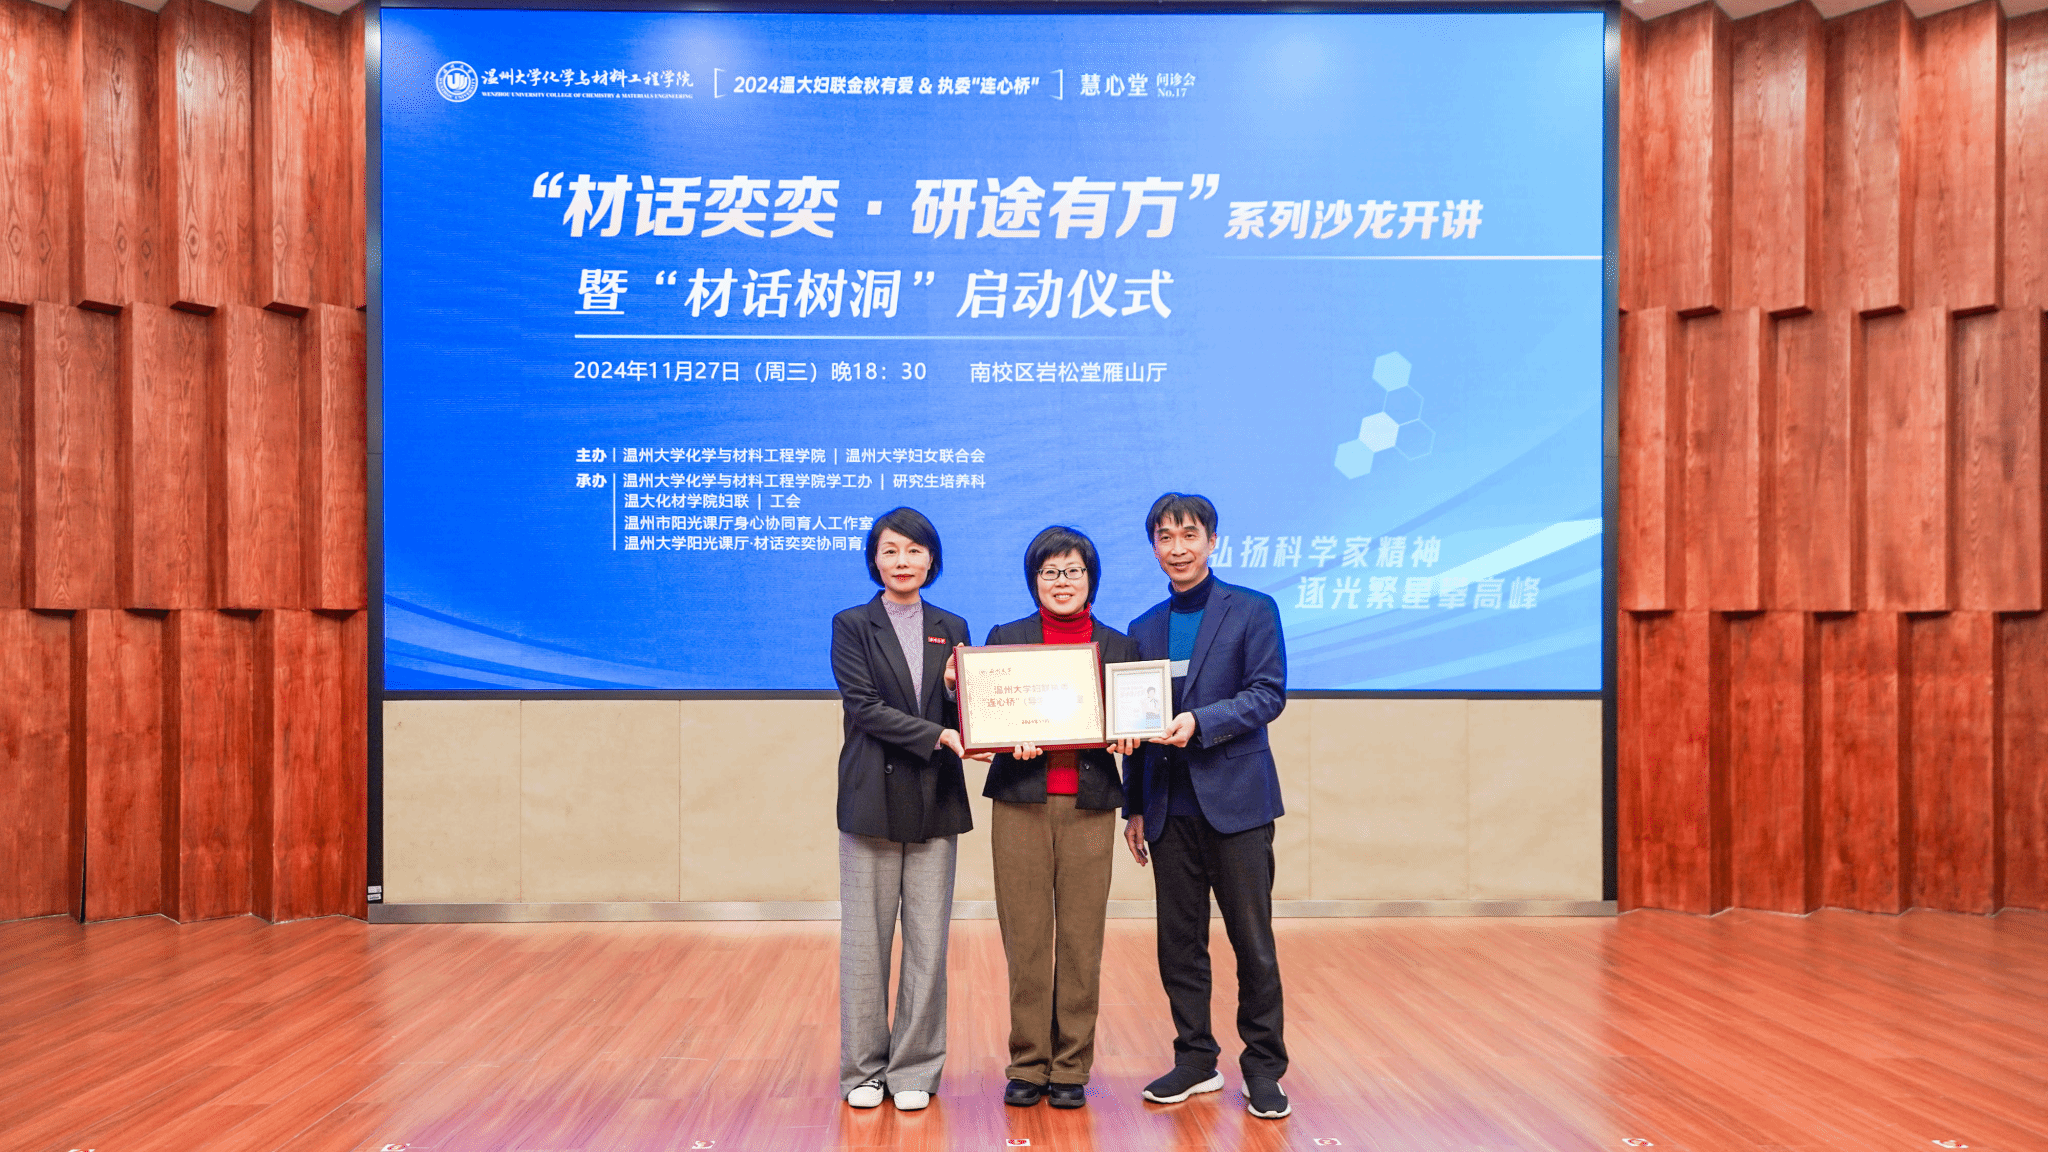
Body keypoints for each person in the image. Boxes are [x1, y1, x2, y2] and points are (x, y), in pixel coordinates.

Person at [1120, 492, 1292, 1120]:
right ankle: (1195, 1060)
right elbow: (1133, 726)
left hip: (1238, 804)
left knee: (1253, 942)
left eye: (1189, 535)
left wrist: (1202, 721)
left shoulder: (1252, 609)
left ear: (1212, 541)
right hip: (1169, 810)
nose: (1178, 548)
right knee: (1179, 944)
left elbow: (1268, 693)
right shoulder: (1143, 627)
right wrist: (1134, 807)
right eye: (1165, 537)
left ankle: (1264, 1068)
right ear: (1154, 548)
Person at [975, 527, 1141, 1110]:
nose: (1062, 581)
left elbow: (1137, 726)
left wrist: (1131, 737)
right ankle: (1028, 1063)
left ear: (1091, 578)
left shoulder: (1120, 646)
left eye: (1073, 570)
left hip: (1090, 808)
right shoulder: (1006, 639)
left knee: (1080, 939)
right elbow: (985, 714)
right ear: (1034, 581)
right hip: (1020, 803)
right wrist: (1005, 738)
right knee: (1025, 937)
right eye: (1049, 572)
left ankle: (1071, 1065)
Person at [830, 507, 973, 1113]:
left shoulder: (952, 625)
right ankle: (863, 1070)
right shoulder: (852, 624)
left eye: (914, 550)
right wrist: (937, 734)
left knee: (927, 940)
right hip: (873, 796)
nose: (902, 561)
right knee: (866, 941)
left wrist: (958, 697)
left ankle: (914, 1068)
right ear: (874, 559)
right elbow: (863, 707)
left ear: (931, 559)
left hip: (936, 796)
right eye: (890, 550)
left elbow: (965, 709)